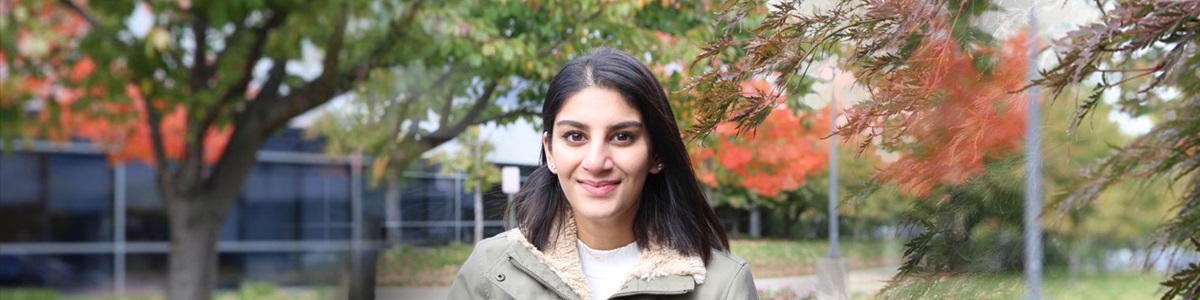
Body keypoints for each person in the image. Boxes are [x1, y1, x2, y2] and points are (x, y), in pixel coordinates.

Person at [447, 48, 757, 300]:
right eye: (575, 136)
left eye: (622, 136)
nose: (596, 162)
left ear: (657, 153)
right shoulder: (490, 272)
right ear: (550, 151)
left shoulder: (722, 287)